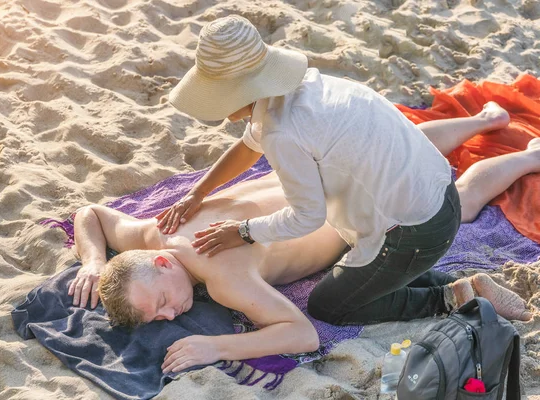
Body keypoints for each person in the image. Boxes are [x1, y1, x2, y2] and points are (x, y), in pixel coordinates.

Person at [68, 109, 537, 373]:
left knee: (461, 198)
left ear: (164, 264)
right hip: (320, 176)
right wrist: (92, 261)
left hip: (354, 208)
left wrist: (218, 347)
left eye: (164, 302)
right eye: (161, 316)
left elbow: (302, 332)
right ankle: (483, 119)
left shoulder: (223, 275)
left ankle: (528, 156)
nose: (172, 315)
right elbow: (89, 213)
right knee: (410, 143)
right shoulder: (153, 231)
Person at [156, 15, 509, 326]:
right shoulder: (301, 87)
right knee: (358, 265)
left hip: (415, 228)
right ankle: (464, 284)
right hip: (439, 195)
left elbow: (308, 217)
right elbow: (250, 145)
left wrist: (245, 231)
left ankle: (453, 299)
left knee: (329, 305)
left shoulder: (282, 131)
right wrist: (198, 191)